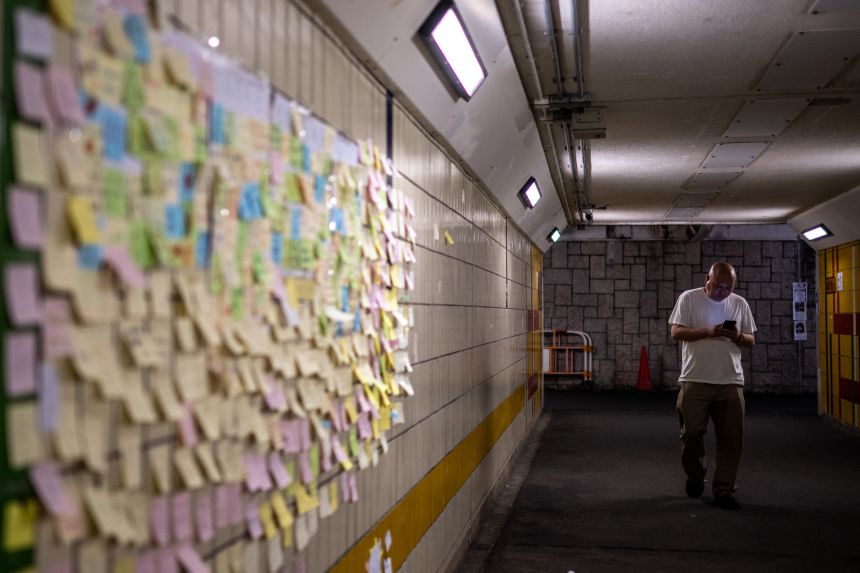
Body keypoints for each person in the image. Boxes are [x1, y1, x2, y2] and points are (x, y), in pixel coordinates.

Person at [668, 261, 756, 510]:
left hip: (730, 381)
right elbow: (676, 332)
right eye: (718, 286)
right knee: (691, 433)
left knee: (731, 439)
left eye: (729, 287)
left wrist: (736, 336)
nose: (723, 292)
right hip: (694, 378)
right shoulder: (689, 299)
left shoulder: (739, 304)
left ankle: (724, 490)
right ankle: (696, 474)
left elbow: (750, 339)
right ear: (707, 279)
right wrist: (707, 331)